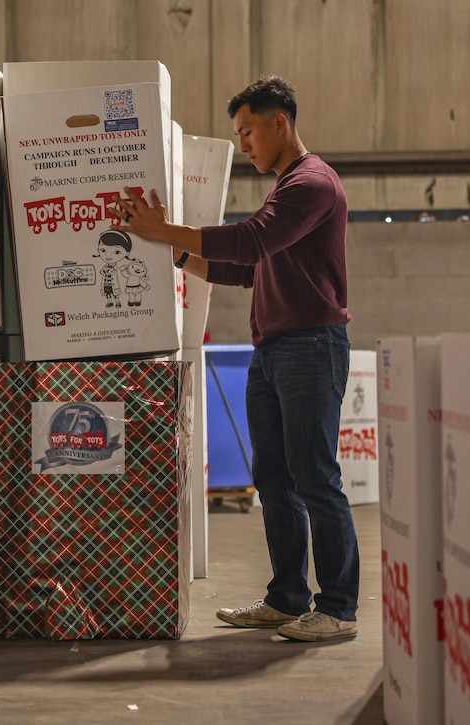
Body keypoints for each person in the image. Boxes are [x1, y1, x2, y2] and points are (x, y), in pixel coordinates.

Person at [110, 75, 359, 642]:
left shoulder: (312, 183)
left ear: (280, 123)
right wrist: (173, 250)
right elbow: (248, 270)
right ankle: (287, 597)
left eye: (247, 131)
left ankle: (339, 608)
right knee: (273, 476)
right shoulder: (284, 189)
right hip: (273, 349)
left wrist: (165, 228)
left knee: (316, 476)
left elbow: (250, 242)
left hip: (310, 345)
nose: (244, 143)